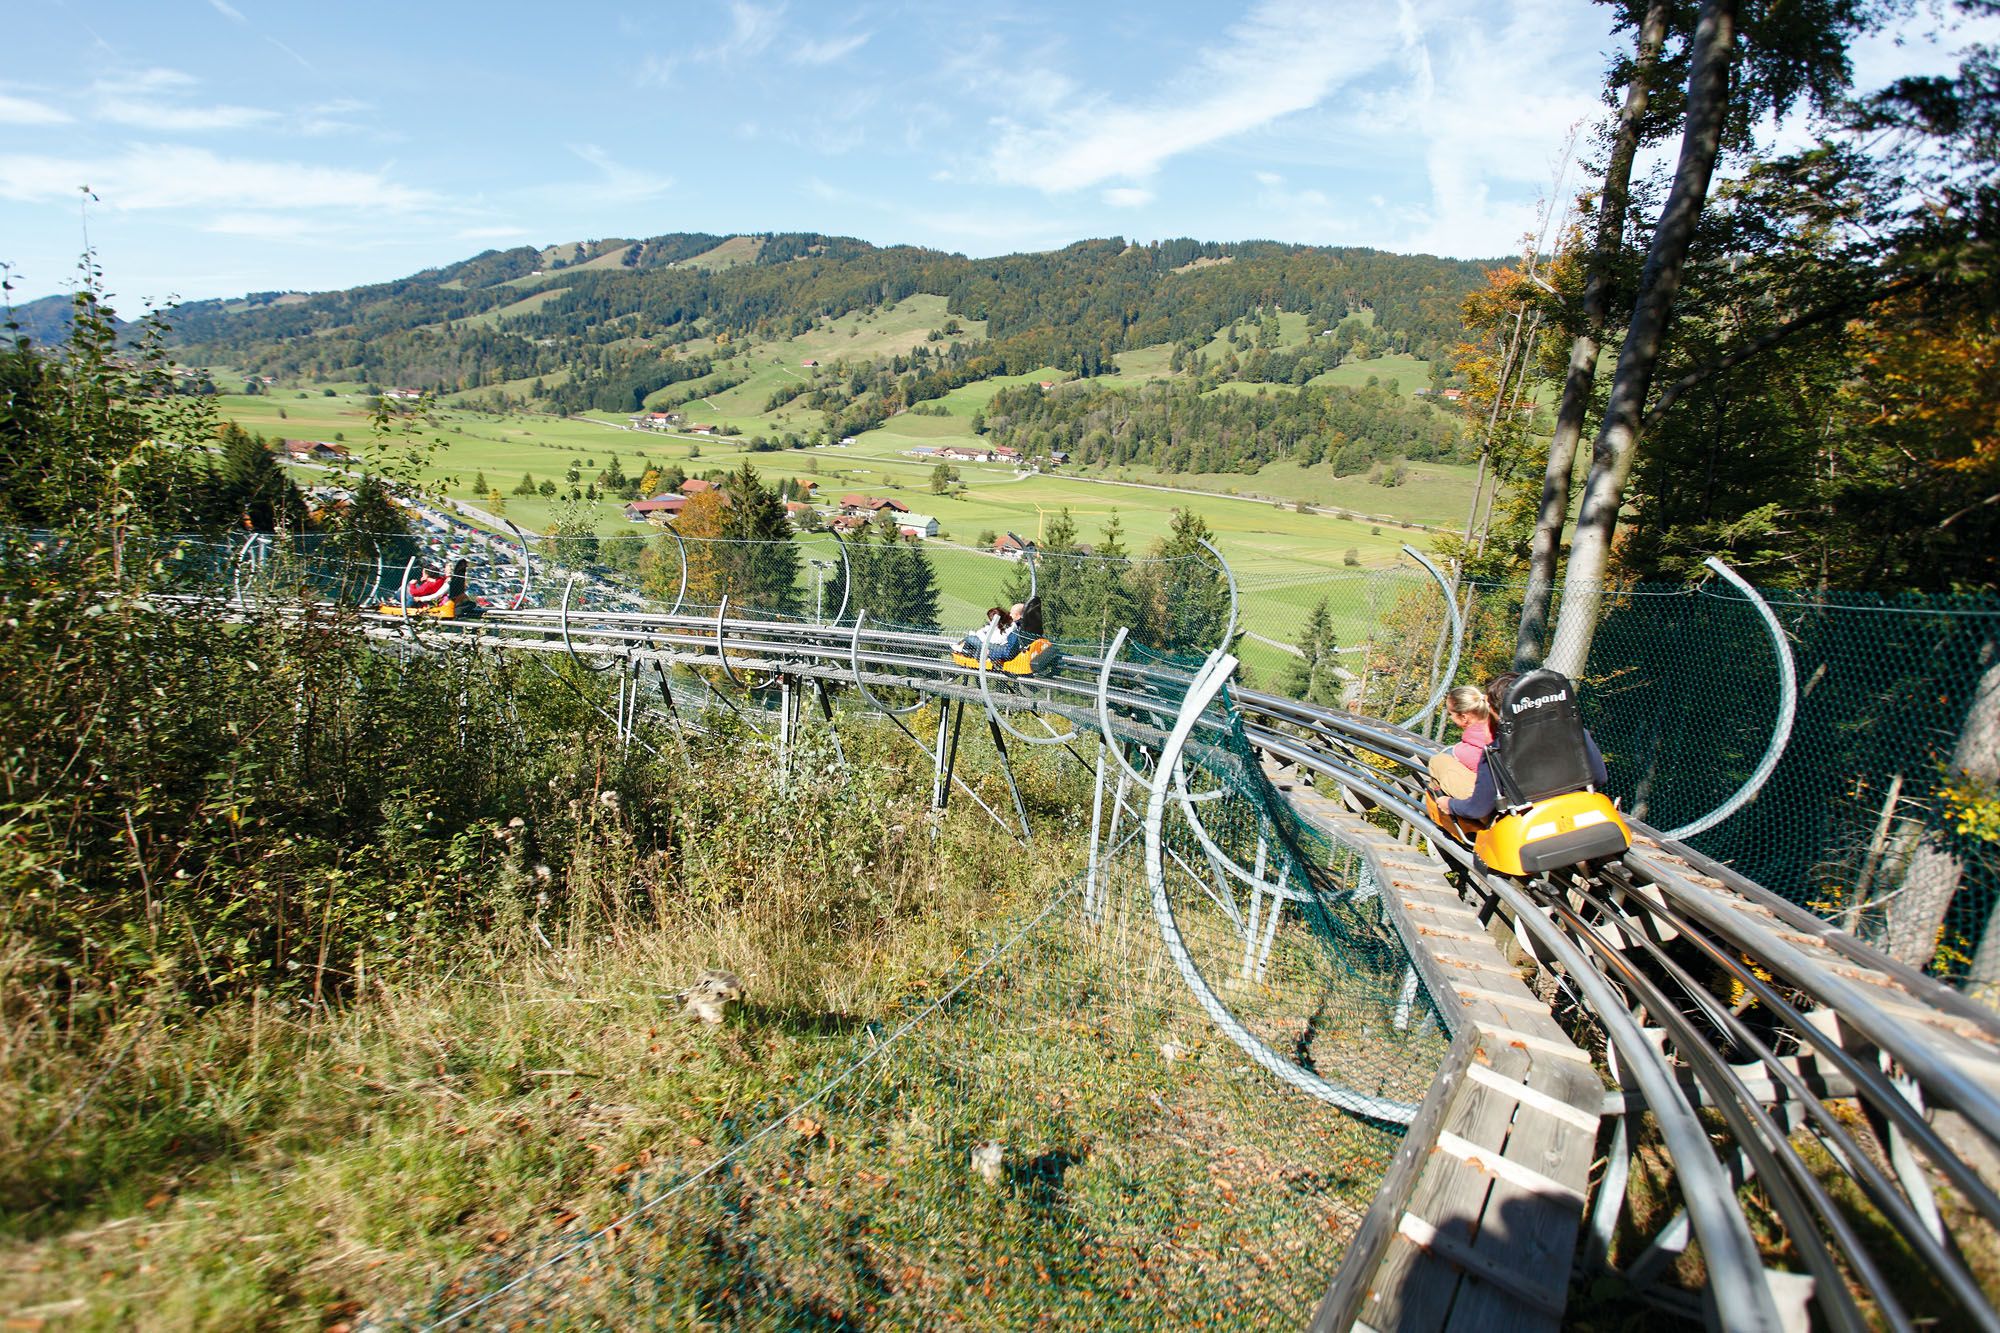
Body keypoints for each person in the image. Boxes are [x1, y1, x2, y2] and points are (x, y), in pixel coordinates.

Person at [1444, 672, 1608, 828]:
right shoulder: (1578, 734)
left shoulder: (1497, 751)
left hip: (1531, 822)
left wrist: (1450, 805)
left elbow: (1478, 808)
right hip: (1578, 811)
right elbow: (1599, 777)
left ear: (1496, 711)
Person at [1426, 684, 1495, 803]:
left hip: (1485, 804)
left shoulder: (1463, 751)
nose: (1451, 718)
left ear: (1464, 717)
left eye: (1451, 714)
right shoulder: (1499, 732)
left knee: (1437, 761)